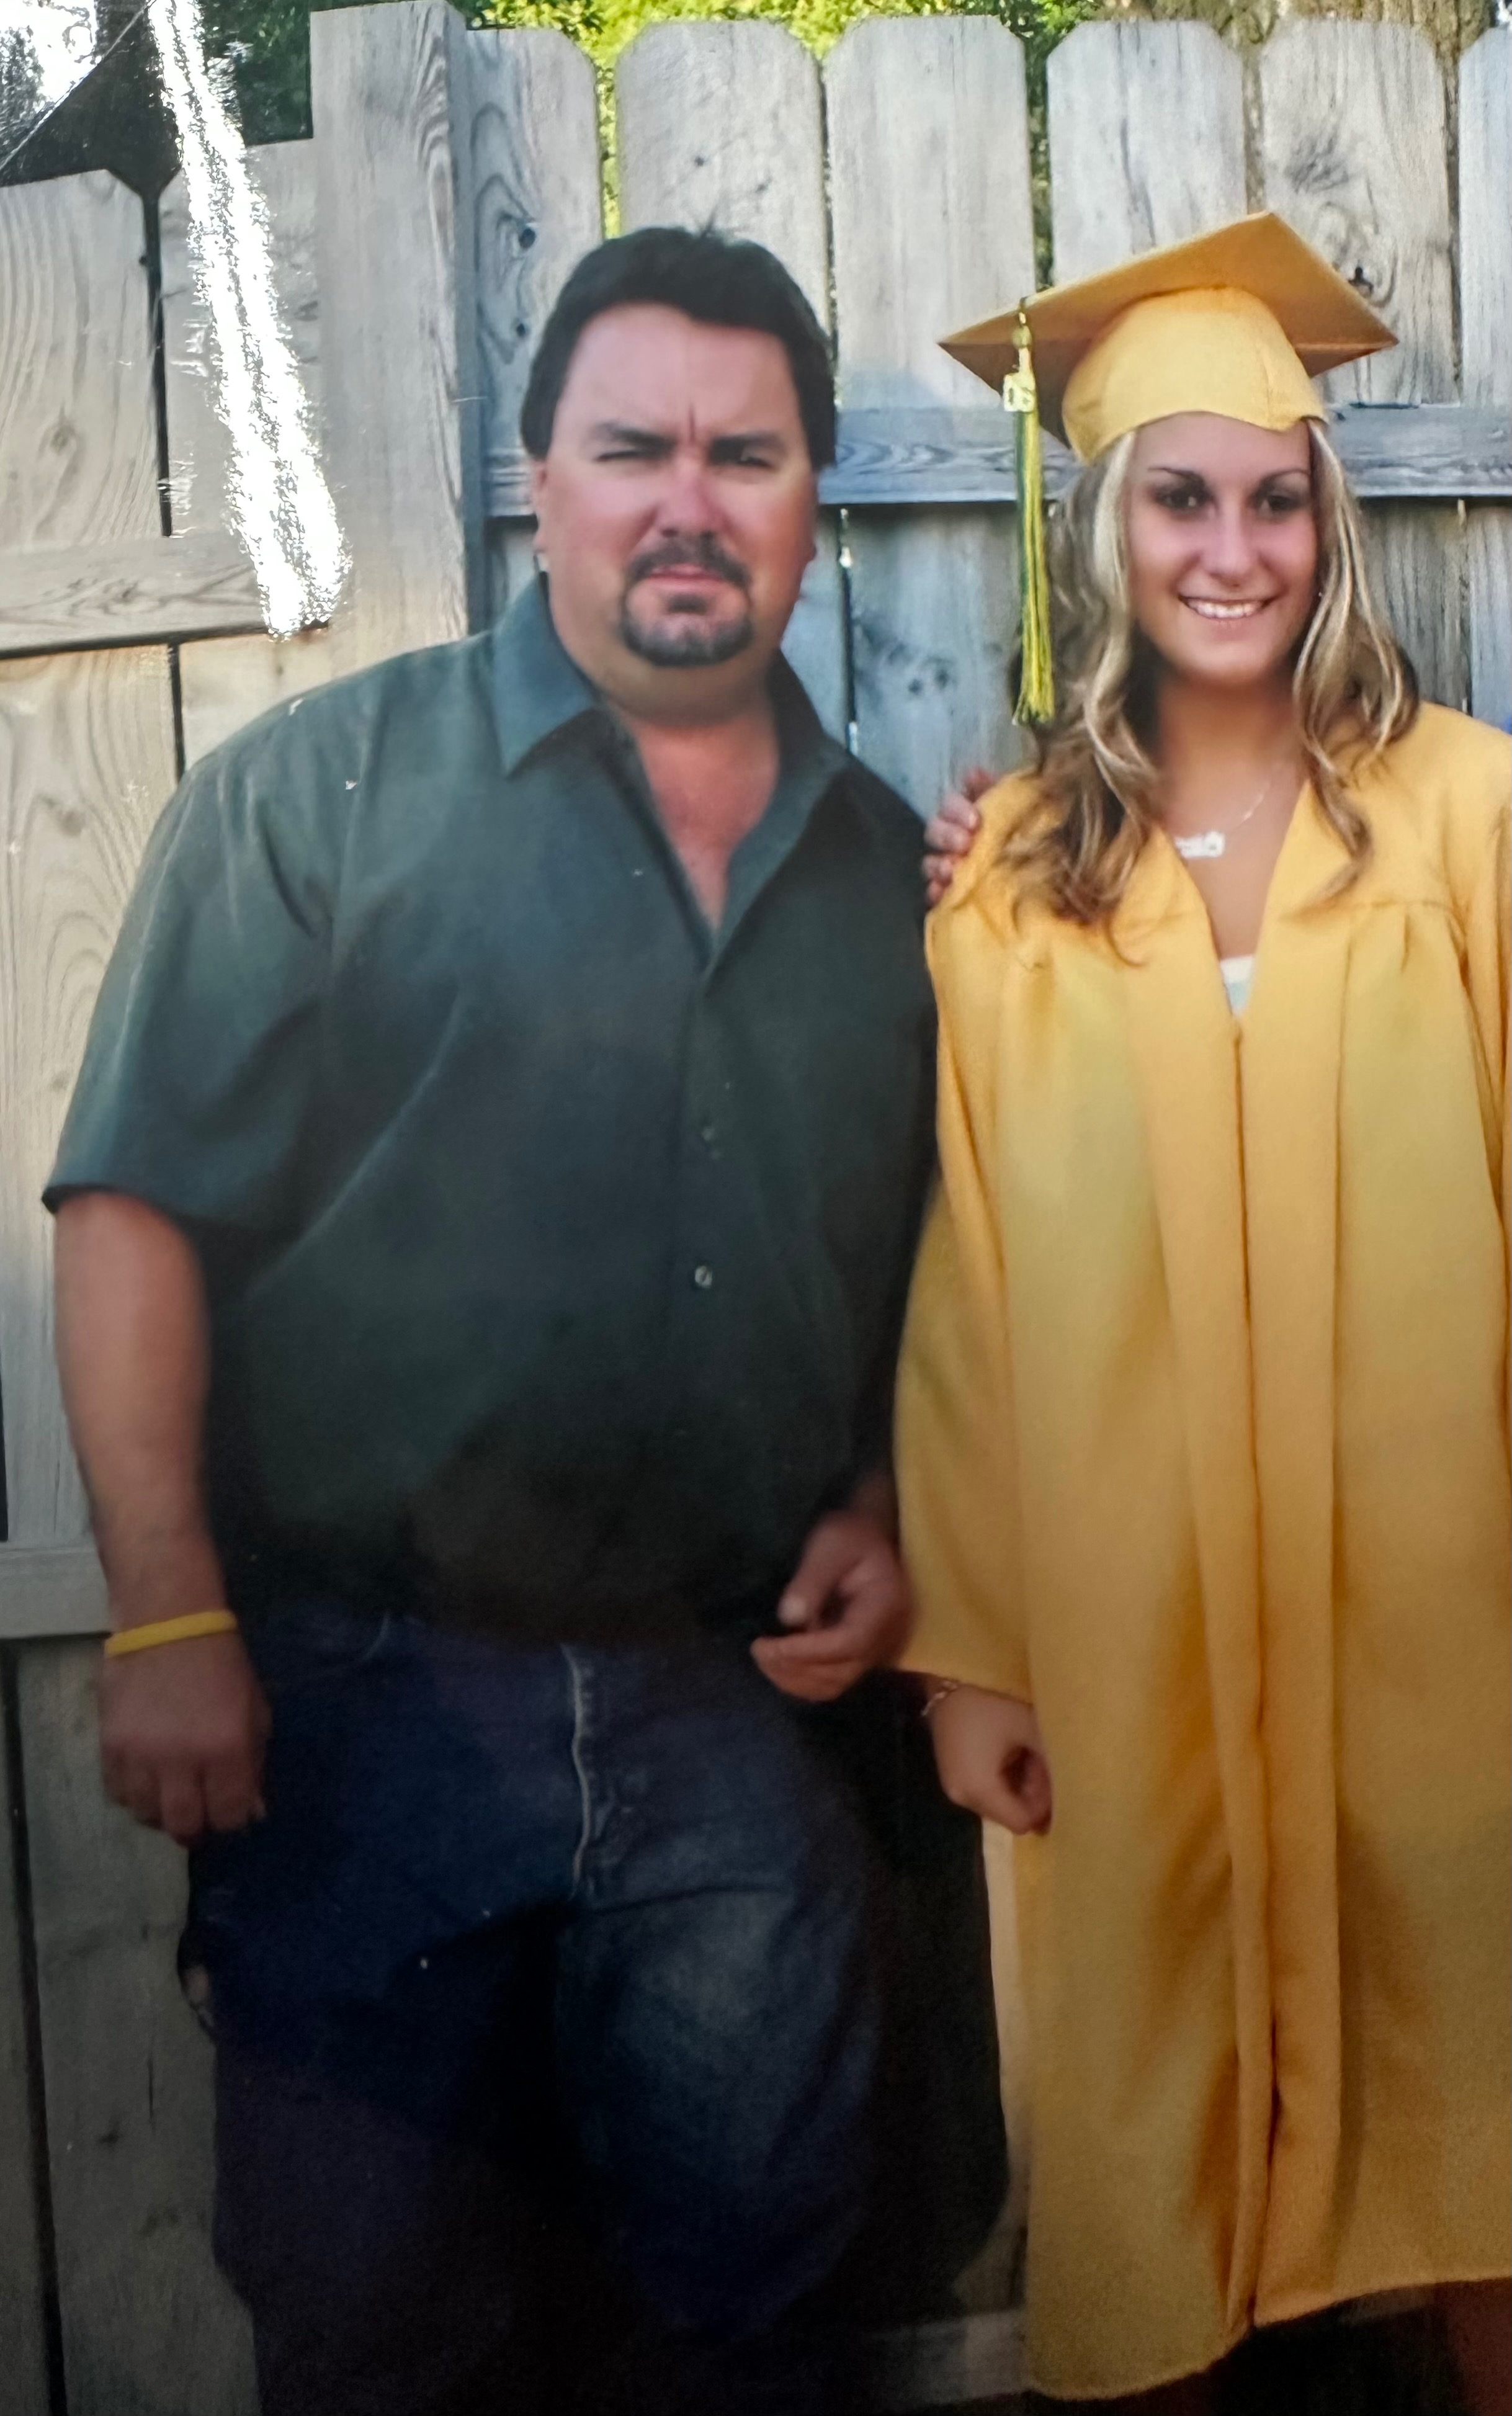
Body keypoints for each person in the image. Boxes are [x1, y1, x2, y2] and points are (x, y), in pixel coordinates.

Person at [45, 226, 1003, 2416]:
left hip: (734, 1723)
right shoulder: (319, 799)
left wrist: (879, 1498)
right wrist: (167, 1607)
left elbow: (924, 1274)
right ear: (540, 480)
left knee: (759, 2322)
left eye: (746, 455)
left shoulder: (895, 881)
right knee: (377, 2331)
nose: (690, 502)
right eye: (634, 448)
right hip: (362, 1709)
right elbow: (133, 1208)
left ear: (814, 495)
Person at [899, 212, 1510, 2413]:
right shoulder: (1017, 877)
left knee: (1487, 2077)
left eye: (1276, 499)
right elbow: (969, 1282)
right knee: (1136, 2090)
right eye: (1182, 497)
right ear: (1105, 529)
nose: (1234, 551)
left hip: (1437, 1603)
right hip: (1131, 1615)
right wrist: (975, 1650)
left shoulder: (1470, 816)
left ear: (1328, 524)